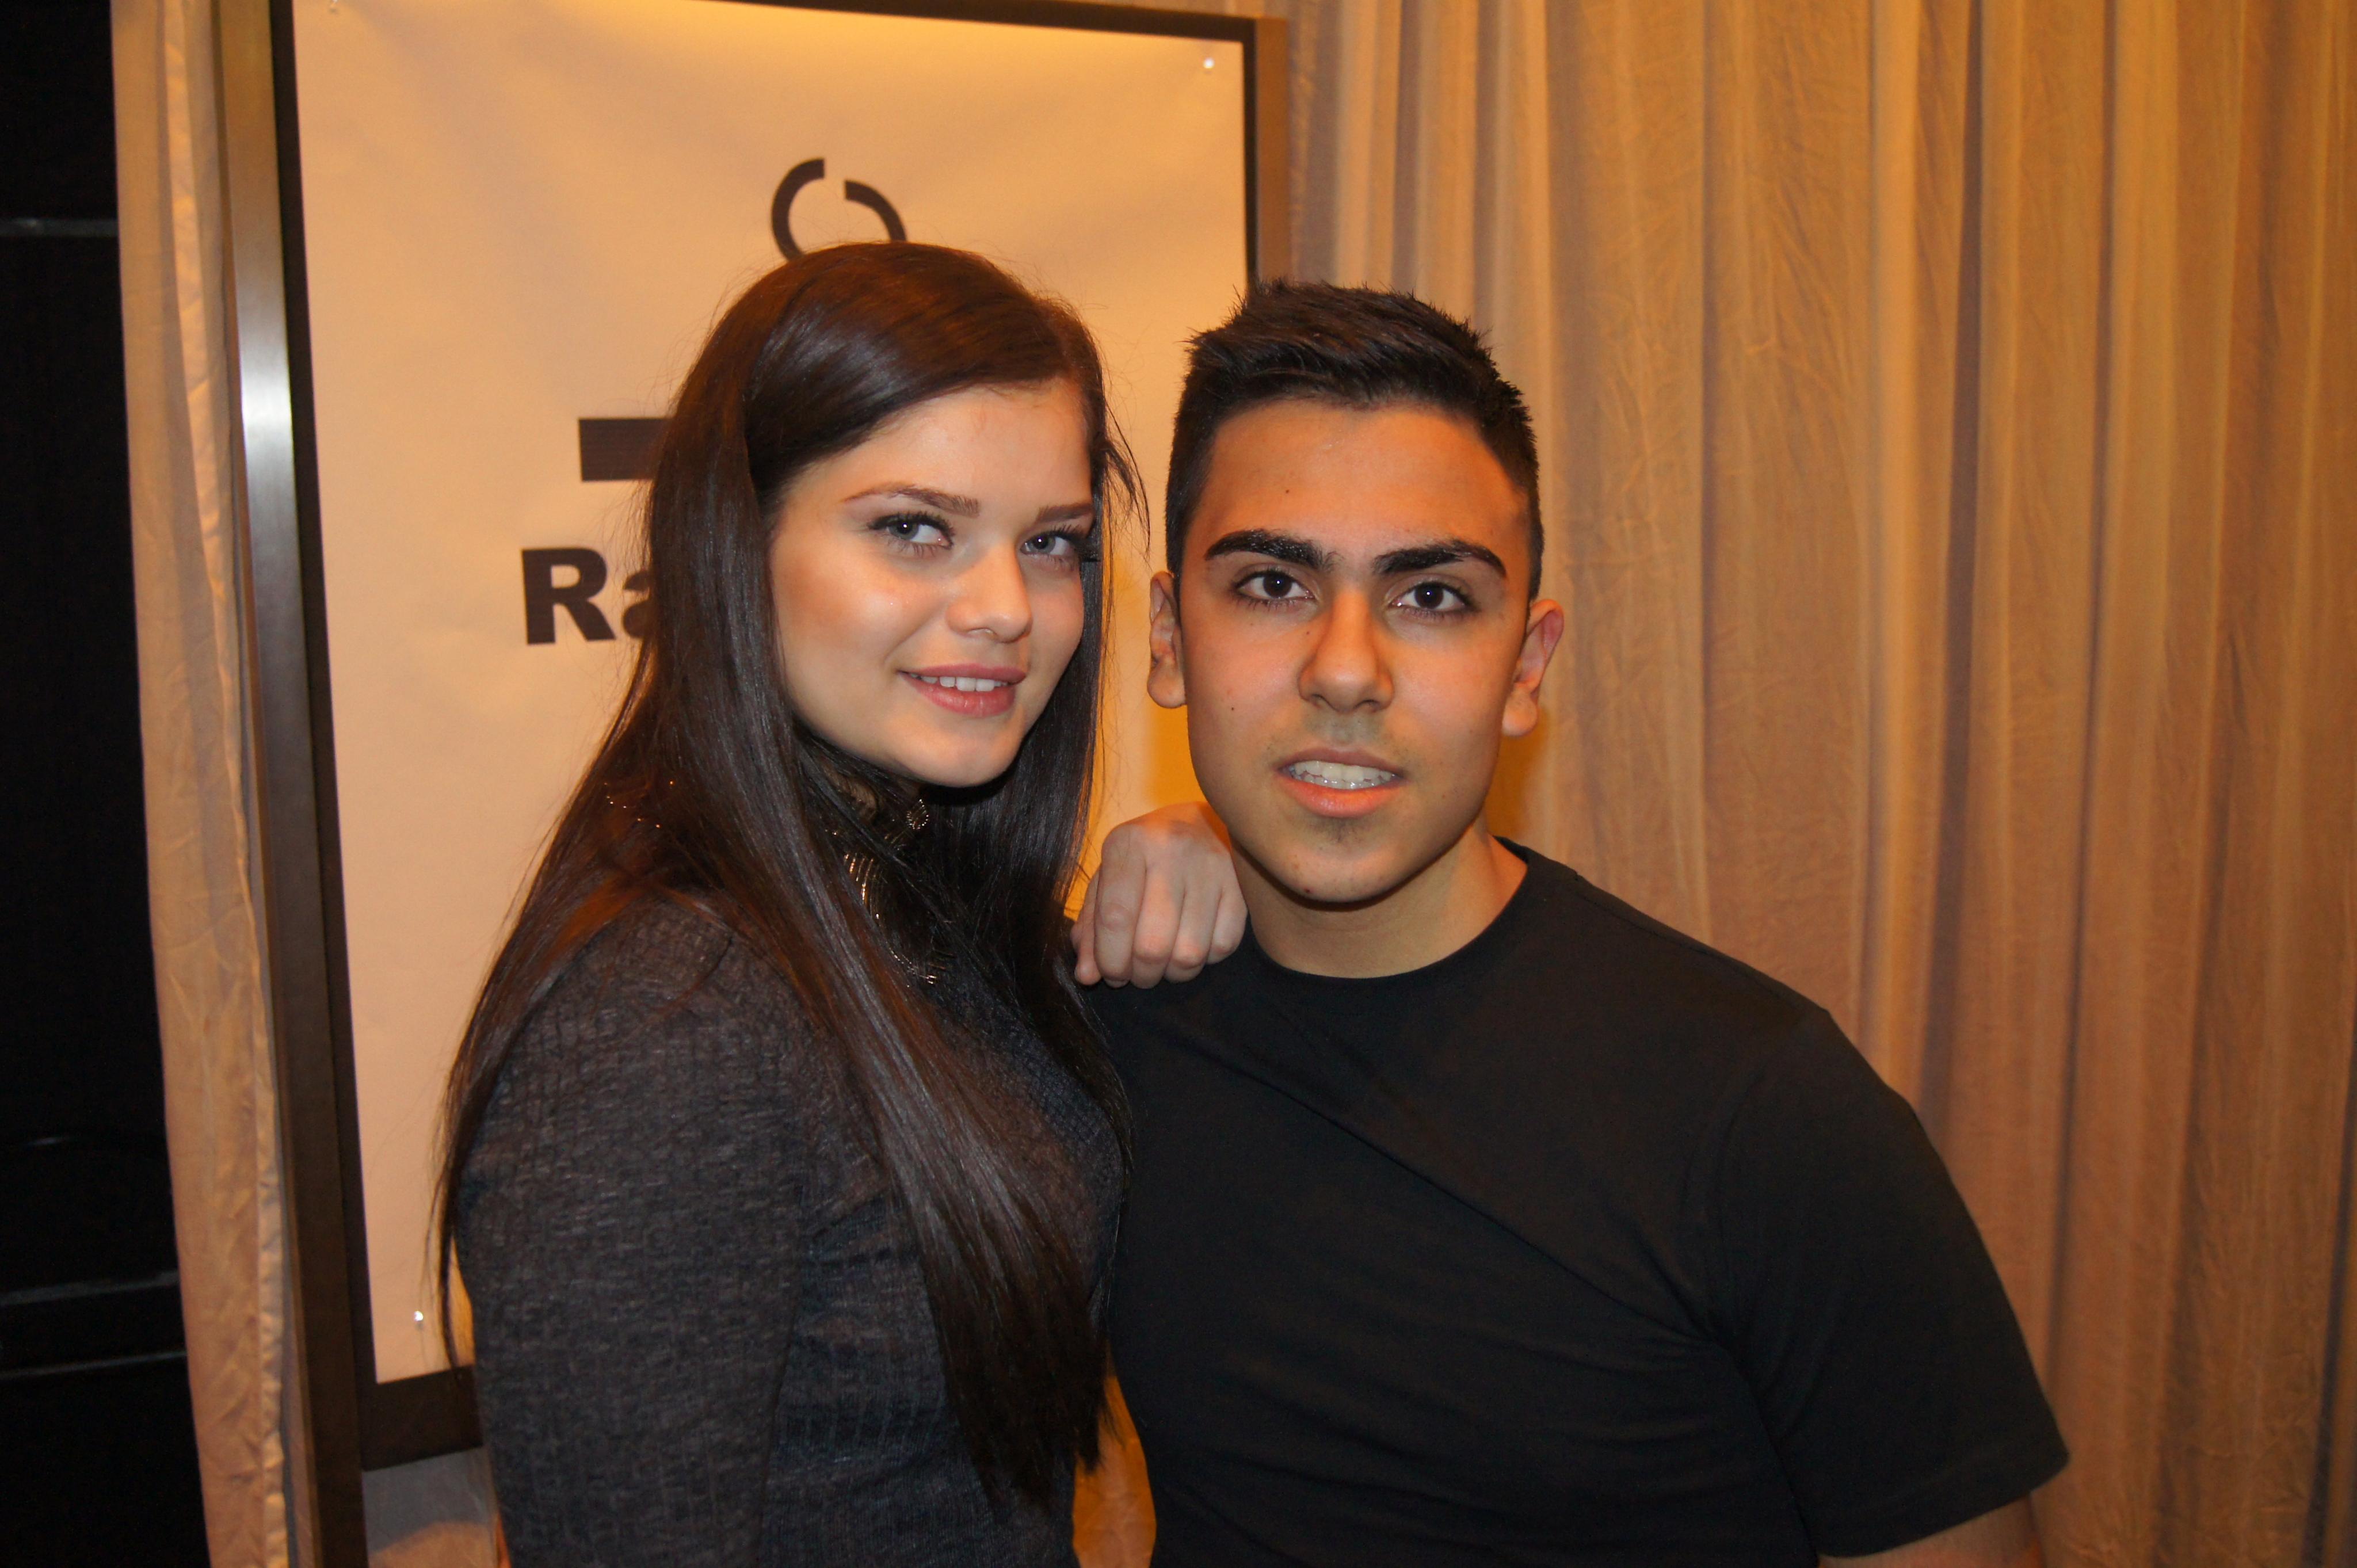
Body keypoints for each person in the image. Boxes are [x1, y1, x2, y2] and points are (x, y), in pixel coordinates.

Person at [1089, 283, 2070, 1567]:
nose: (1345, 670)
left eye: (1431, 596)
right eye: (1273, 583)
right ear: (1169, 637)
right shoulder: (1093, 1041)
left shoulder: (1761, 1111)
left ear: (1527, 666)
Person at [437, 243, 1242, 1568]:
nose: (1006, 609)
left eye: (1049, 544)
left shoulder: (914, 901)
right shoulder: (666, 1023)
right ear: (735, 543)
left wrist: (1214, 848)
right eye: (913, 528)